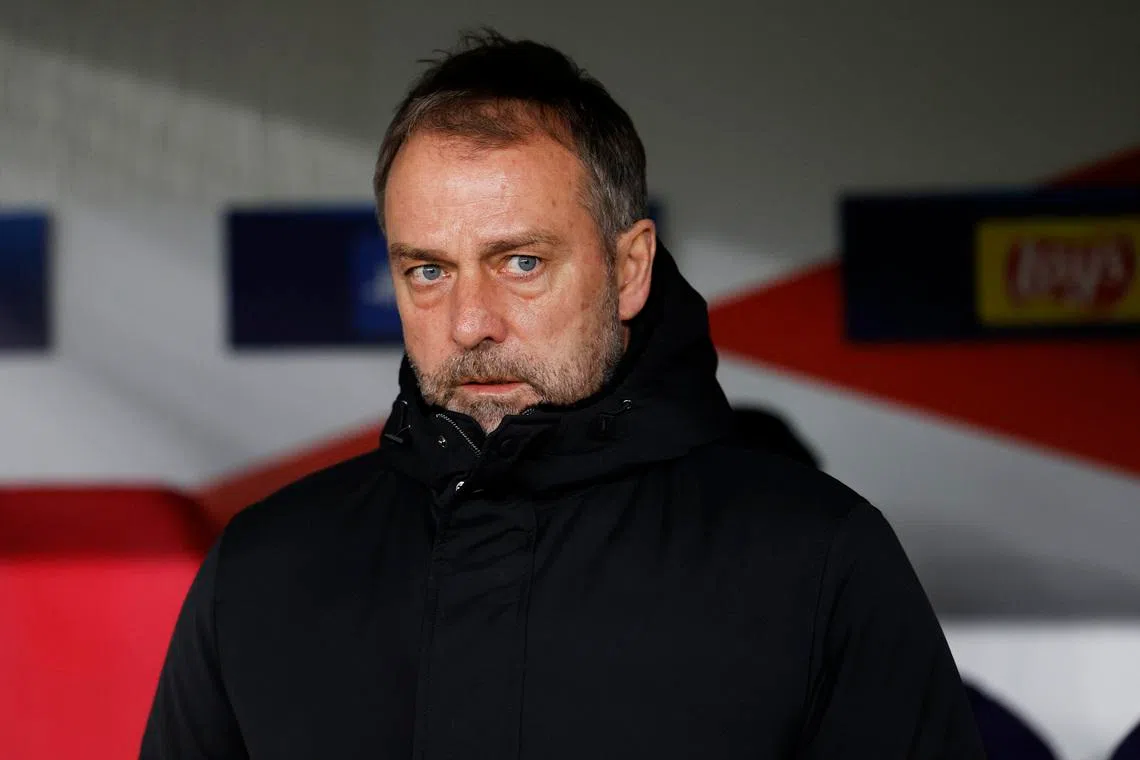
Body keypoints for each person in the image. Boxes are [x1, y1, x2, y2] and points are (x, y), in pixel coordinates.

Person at [141, 29, 985, 759]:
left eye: (522, 262)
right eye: (429, 270)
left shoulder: (819, 559)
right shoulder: (261, 572)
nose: (472, 321)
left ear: (630, 269)